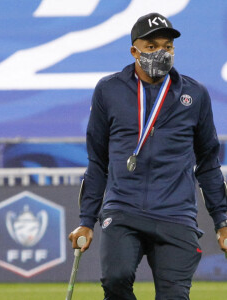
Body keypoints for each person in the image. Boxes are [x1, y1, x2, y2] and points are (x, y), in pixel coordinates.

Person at [69, 12, 227, 300]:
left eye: (167, 46)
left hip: (176, 214)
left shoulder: (195, 94)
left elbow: (208, 164)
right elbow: (97, 162)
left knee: (174, 296)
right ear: (134, 51)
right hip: (123, 209)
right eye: (151, 47)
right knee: (115, 281)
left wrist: (222, 221)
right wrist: (86, 220)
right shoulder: (109, 90)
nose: (161, 53)